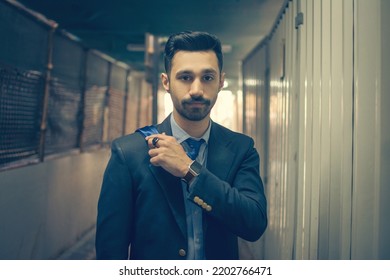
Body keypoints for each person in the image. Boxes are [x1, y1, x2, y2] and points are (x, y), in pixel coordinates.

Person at [95, 31, 267, 260]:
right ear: (166, 82)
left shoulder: (241, 148)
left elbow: (253, 224)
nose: (196, 89)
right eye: (185, 77)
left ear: (221, 82)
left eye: (207, 77)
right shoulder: (129, 153)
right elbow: (110, 252)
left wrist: (190, 170)